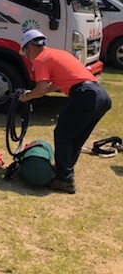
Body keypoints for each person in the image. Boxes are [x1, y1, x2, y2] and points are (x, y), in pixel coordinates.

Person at [18, 29, 111, 194]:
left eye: (25, 52)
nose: (27, 56)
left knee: (63, 133)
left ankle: (64, 179)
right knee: (75, 136)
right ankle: (65, 171)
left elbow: (40, 89)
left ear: (30, 47)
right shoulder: (57, 53)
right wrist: (36, 93)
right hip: (101, 95)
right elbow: (54, 84)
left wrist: (27, 97)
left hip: (84, 95)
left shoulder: (41, 59)